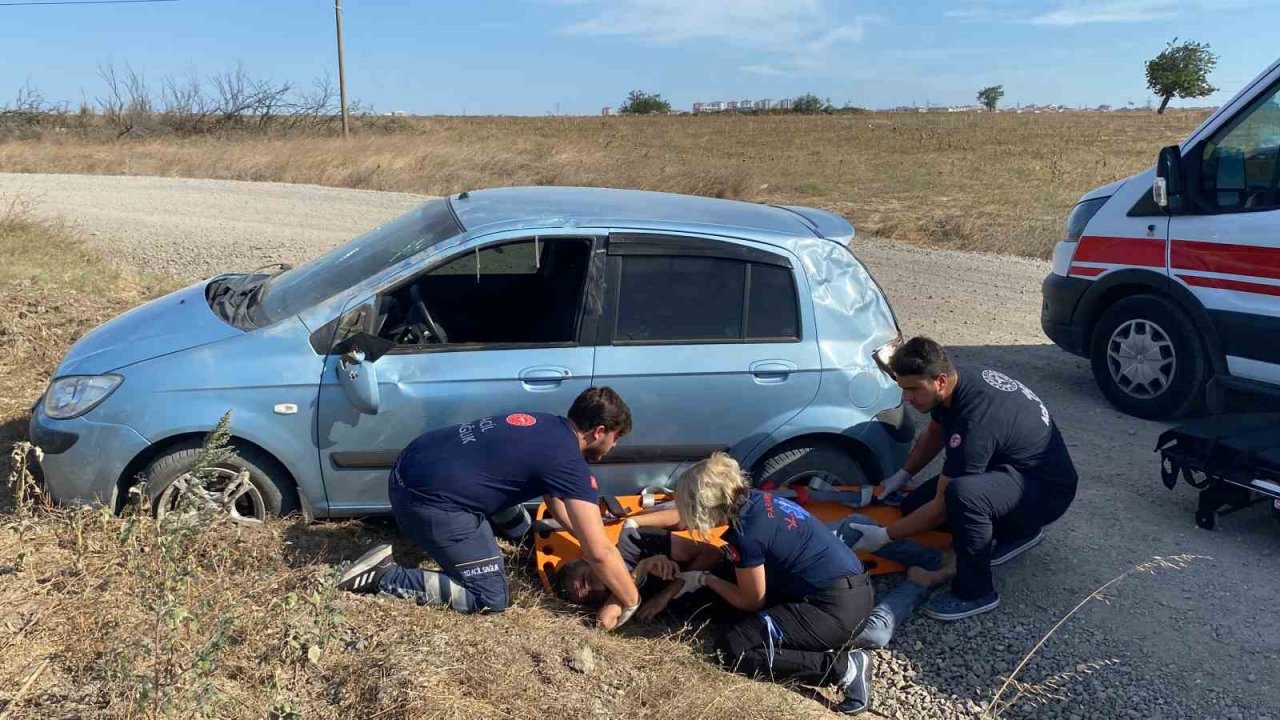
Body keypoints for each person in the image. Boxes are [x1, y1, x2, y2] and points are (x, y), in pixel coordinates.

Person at [336, 387, 643, 629]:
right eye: (615, 437)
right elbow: (599, 552)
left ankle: (520, 540)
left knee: (505, 490)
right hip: (427, 505)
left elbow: (554, 499)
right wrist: (631, 600)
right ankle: (383, 576)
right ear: (599, 431)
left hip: (406, 472)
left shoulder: (546, 425)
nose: (614, 446)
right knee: (490, 597)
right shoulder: (569, 463)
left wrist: (578, 530)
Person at [856, 337, 1078, 621]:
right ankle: (1013, 531)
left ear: (940, 380)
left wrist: (884, 536)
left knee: (962, 497)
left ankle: (976, 591)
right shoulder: (955, 384)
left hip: (1046, 492)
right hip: (1012, 471)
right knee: (913, 506)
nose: (907, 398)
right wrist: (903, 475)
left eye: (913, 389)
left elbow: (941, 508)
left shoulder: (976, 420)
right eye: (903, 388)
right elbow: (935, 433)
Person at [675, 452, 875, 716]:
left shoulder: (747, 534)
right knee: (730, 607)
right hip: (851, 591)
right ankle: (813, 641)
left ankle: (842, 669)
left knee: (733, 649)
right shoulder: (758, 500)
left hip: (833, 610)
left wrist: (705, 579)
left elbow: (751, 601)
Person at [556, 507, 725, 624]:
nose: (595, 589)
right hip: (721, 612)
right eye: (590, 598)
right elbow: (604, 621)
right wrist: (640, 571)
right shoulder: (616, 598)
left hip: (731, 577)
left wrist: (666, 595)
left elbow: (712, 554)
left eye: (587, 580)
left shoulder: (634, 542)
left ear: (589, 559)